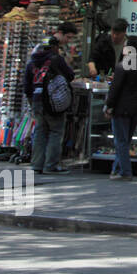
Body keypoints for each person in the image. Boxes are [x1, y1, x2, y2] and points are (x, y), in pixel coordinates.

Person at [23, 21, 78, 176]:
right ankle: (51, 165)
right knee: (55, 131)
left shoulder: (32, 61)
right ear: (54, 47)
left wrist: (31, 99)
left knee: (40, 131)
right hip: (53, 102)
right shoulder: (56, 59)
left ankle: (36, 164)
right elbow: (70, 75)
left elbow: (27, 85)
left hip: (36, 100)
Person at [104, 35, 137, 181]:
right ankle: (117, 169)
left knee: (121, 141)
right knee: (126, 140)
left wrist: (109, 105)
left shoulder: (123, 65)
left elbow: (115, 88)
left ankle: (125, 171)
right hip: (136, 108)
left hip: (121, 108)